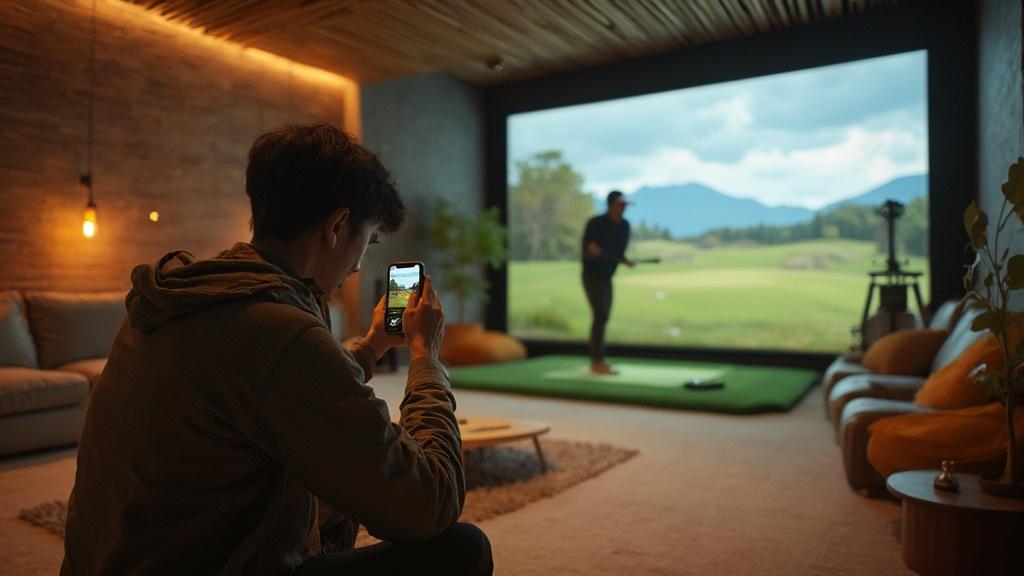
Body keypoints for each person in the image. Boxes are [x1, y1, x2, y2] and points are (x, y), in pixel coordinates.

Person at [61, 123, 492, 576]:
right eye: (366, 241)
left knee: (326, 489)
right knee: (461, 549)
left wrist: (374, 344)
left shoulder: (184, 299)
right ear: (337, 226)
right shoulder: (280, 334)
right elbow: (430, 503)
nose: (360, 263)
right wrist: (425, 357)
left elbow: (280, 383)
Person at [581, 190, 635, 375]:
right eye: (620, 205)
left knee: (604, 316)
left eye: (625, 205)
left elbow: (618, 252)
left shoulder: (625, 226)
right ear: (611, 205)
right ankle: (597, 361)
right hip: (592, 275)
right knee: (601, 315)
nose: (623, 209)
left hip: (607, 276)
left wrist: (624, 260)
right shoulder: (595, 223)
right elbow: (589, 249)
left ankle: (598, 360)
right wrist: (593, 251)